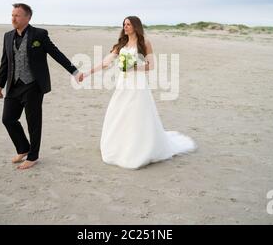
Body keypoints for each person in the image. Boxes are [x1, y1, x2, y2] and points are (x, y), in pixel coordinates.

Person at [82, 16, 196, 169]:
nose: (125, 27)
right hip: (123, 84)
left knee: (137, 114)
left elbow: (151, 65)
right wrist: (87, 73)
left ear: (136, 26)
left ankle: (138, 149)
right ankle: (119, 146)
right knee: (119, 113)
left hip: (138, 85)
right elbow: (106, 62)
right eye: (124, 24)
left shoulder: (144, 43)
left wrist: (134, 67)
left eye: (128, 24)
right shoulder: (121, 44)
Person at [0, 3, 83, 169]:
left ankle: (33, 156)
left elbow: (55, 53)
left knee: (33, 122)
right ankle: (23, 148)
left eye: (17, 15)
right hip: (13, 85)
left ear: (28, 18)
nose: (13, 18)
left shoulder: (39, 34)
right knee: (8, 119)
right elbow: (5, 61)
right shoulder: (7, 36)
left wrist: (74, 71)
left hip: (33, 85)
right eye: (12, 15)